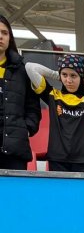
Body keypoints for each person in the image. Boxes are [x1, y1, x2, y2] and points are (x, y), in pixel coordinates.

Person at [25, 54, 84, 173]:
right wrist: (57, 75)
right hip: (58, 159)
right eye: (64, 75)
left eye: (73, 76)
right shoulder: (53, 95)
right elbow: (30, 67)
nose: (69, 80)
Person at [0, 14, 41, 170]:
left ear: (10, 38)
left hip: (14, 151)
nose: (0, 36)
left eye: (4, 33)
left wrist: (26, 129)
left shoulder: (23, 70)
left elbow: (33, 108)